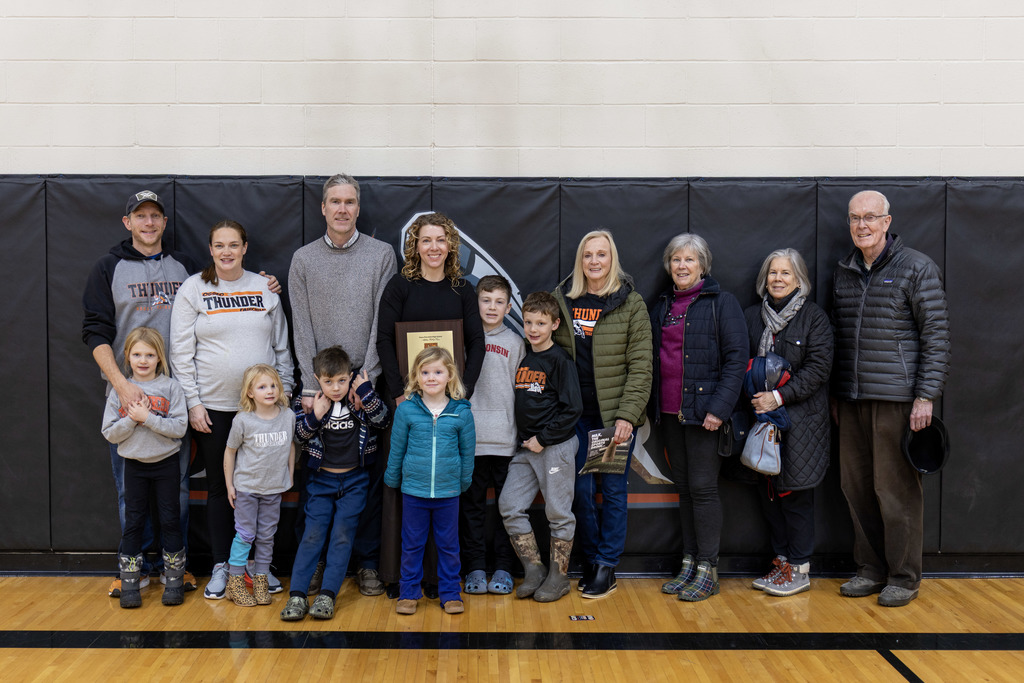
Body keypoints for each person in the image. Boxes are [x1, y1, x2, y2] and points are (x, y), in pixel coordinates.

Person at [833, 190, 950, 607]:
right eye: (854, 218)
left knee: (896, 491)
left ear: (887, 222)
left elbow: (936, 337)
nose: (861, 225)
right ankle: (870, 569)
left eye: (870, 217)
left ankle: (903, 576)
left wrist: (925, 396)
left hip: (898, 401)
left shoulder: (917, 268)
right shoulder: (844, 272)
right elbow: (839, 340)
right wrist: (836, 395)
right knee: (857, 488)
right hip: (851, 399)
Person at [83, 190, 199, 598]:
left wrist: (267, 281)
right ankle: (134, 566)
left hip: (173, 394)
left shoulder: (186, 266)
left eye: (155, 216)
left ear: (164, 223)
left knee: (177, 491)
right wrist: (122, 384)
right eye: (140, 216)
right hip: (127, 392)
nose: (148, 223)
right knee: (128, 492)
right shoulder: (108, 267)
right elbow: (94, 332)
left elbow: (222, 289)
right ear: (127, 222)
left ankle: (175, 565)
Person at [170, 219, 294, 601]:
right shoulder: (194, 288)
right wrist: (192, 402)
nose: (226, 252)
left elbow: (281, 349)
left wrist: (284, 395)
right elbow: (180, 352)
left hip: (263, 410)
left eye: (233, 245)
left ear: (245, 247)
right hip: (215, 408)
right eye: (219, 245)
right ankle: (225, 565)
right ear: (211, 249)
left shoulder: (264, 288)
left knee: (267, 488)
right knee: (226, 489)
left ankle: (260, 567)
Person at [288, 173, 397, 597]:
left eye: (350, 202)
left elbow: (380, 322)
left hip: (364, 385)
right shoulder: (303, 259)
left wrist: (363, 378)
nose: (342, 209)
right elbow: (301, 326)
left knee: (365, 479)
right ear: (322, 208)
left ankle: (367, 563)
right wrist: (314, 385)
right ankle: (312, 566)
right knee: (315, 476)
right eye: (334, 201)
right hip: (320, 385)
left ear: (358, 208)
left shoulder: (381, 254)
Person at [376, 211, 485, 595]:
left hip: (448, 409)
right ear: (415, 246)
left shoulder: (463, 290)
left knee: (446, 504)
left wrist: (463, 390)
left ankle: (442, 581)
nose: (434, 247)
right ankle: (401, 580)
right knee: (407, 497)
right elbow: (385, 342)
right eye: (426, 240)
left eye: (441, 240)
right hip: (411, 408)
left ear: (450, 245)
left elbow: (476, 343)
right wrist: (398, 393)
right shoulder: (399, 287)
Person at [552, 230, 652, 599]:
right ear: (580, 260)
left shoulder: (630, 303)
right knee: (578, 490)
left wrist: (627, 415)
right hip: (574, 419)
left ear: (613, 260)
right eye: (588, 255)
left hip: (611, 419)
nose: (595, 261)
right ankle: (593, 559)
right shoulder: (562, 300)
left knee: (611, 491)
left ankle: (607, 565)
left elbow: (641, 365)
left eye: (602, 255)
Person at [649, 233, 747, 602]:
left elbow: (737, 360)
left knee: (704, 491)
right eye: (676, 259)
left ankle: (708, 568)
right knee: (686, 491)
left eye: (690, 260)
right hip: (671, 414)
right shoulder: (661, 306)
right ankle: (690, 562)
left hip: (706, 416)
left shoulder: (723, 303)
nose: (682, 266)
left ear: (703, 266)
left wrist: (718, 410)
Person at [743, 249, 834, 597]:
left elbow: (818, 370)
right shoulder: (753, 316)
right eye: (773, 273)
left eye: (786, 273)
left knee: (795, 497)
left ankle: (799, 569)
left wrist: (779, 397)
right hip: (762, 424)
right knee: (769, 497)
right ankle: (780, 563)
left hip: (801, 426)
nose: (778, 279)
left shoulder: (814, 318)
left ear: (800, 280)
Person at [281, 346, 390, 622]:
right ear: (317, 379)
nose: (336, 387)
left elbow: (383, 419)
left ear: (350, 377)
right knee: (312, 535)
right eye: (328, 382)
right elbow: (300, 434)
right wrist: (316, 415)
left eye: (342, 380)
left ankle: (327, 595)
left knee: (343, 536)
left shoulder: (359, 401)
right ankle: (297, 594)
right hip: (320, 481)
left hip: (354, 480)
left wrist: (365, 391)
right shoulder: (310, 403)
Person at [499, 292, 584, 603]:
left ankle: (559, 577)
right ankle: (534, 569)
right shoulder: (525, 356)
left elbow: (572, 409)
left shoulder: (560, 361)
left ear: (554, 324)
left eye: (541, 323)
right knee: (509, 505)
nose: (533, 328)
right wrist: (528, 441)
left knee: (559, 513)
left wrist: (543, 439)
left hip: (554, 447)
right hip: (525, 448)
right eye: (529, 322)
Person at [101, 327, 188, 609]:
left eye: (149, 354)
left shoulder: (171, 388)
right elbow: (110, 434)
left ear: (159, 358)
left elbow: (179, 428)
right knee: (134, 522)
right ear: (127, 356)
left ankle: (173, 581)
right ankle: (130, 584)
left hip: (166, 464)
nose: (143, 360)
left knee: (170, 519)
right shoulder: (120, 391)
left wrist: (147, 418)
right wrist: (132, 419)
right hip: (134, 465)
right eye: (137, 354)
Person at [384, 347, 476, 616]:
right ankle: (409, 592)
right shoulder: (407, 411)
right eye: (425, 372)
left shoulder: (462, 413)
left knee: (448, 545)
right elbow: (397, 449)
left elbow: (467, 453)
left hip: (449, 492)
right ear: (416, 377)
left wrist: (463, 482)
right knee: (412, 544)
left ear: (449, 376)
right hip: (414, 491)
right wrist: (393, 479)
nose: (432, 377)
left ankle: (450, 594)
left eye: (438, 372)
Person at [460, 275, 525, 596]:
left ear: (509, 306)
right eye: (486, 300)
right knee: (471, 510)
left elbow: (524, 394)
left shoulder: (515, 342)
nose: (492, 307)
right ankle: (473, 567)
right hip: (470, 441)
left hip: (505, 441)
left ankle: (503, 567)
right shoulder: (461, 339)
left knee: (506, 510)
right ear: (477, 302)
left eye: (499, 301)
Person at [223, 364, 296, 607]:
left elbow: (291, 447)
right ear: (250, 393)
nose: (270, 390)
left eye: (273, 385)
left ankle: (261, 580)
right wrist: (230, 485)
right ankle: (235, 582)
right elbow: (230, 452)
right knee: (245, 535)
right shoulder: (243, 420)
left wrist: (290, 475)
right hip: (247, 488)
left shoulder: (288, 416)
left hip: (273, 489)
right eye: (262, 386)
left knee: (266, 536)